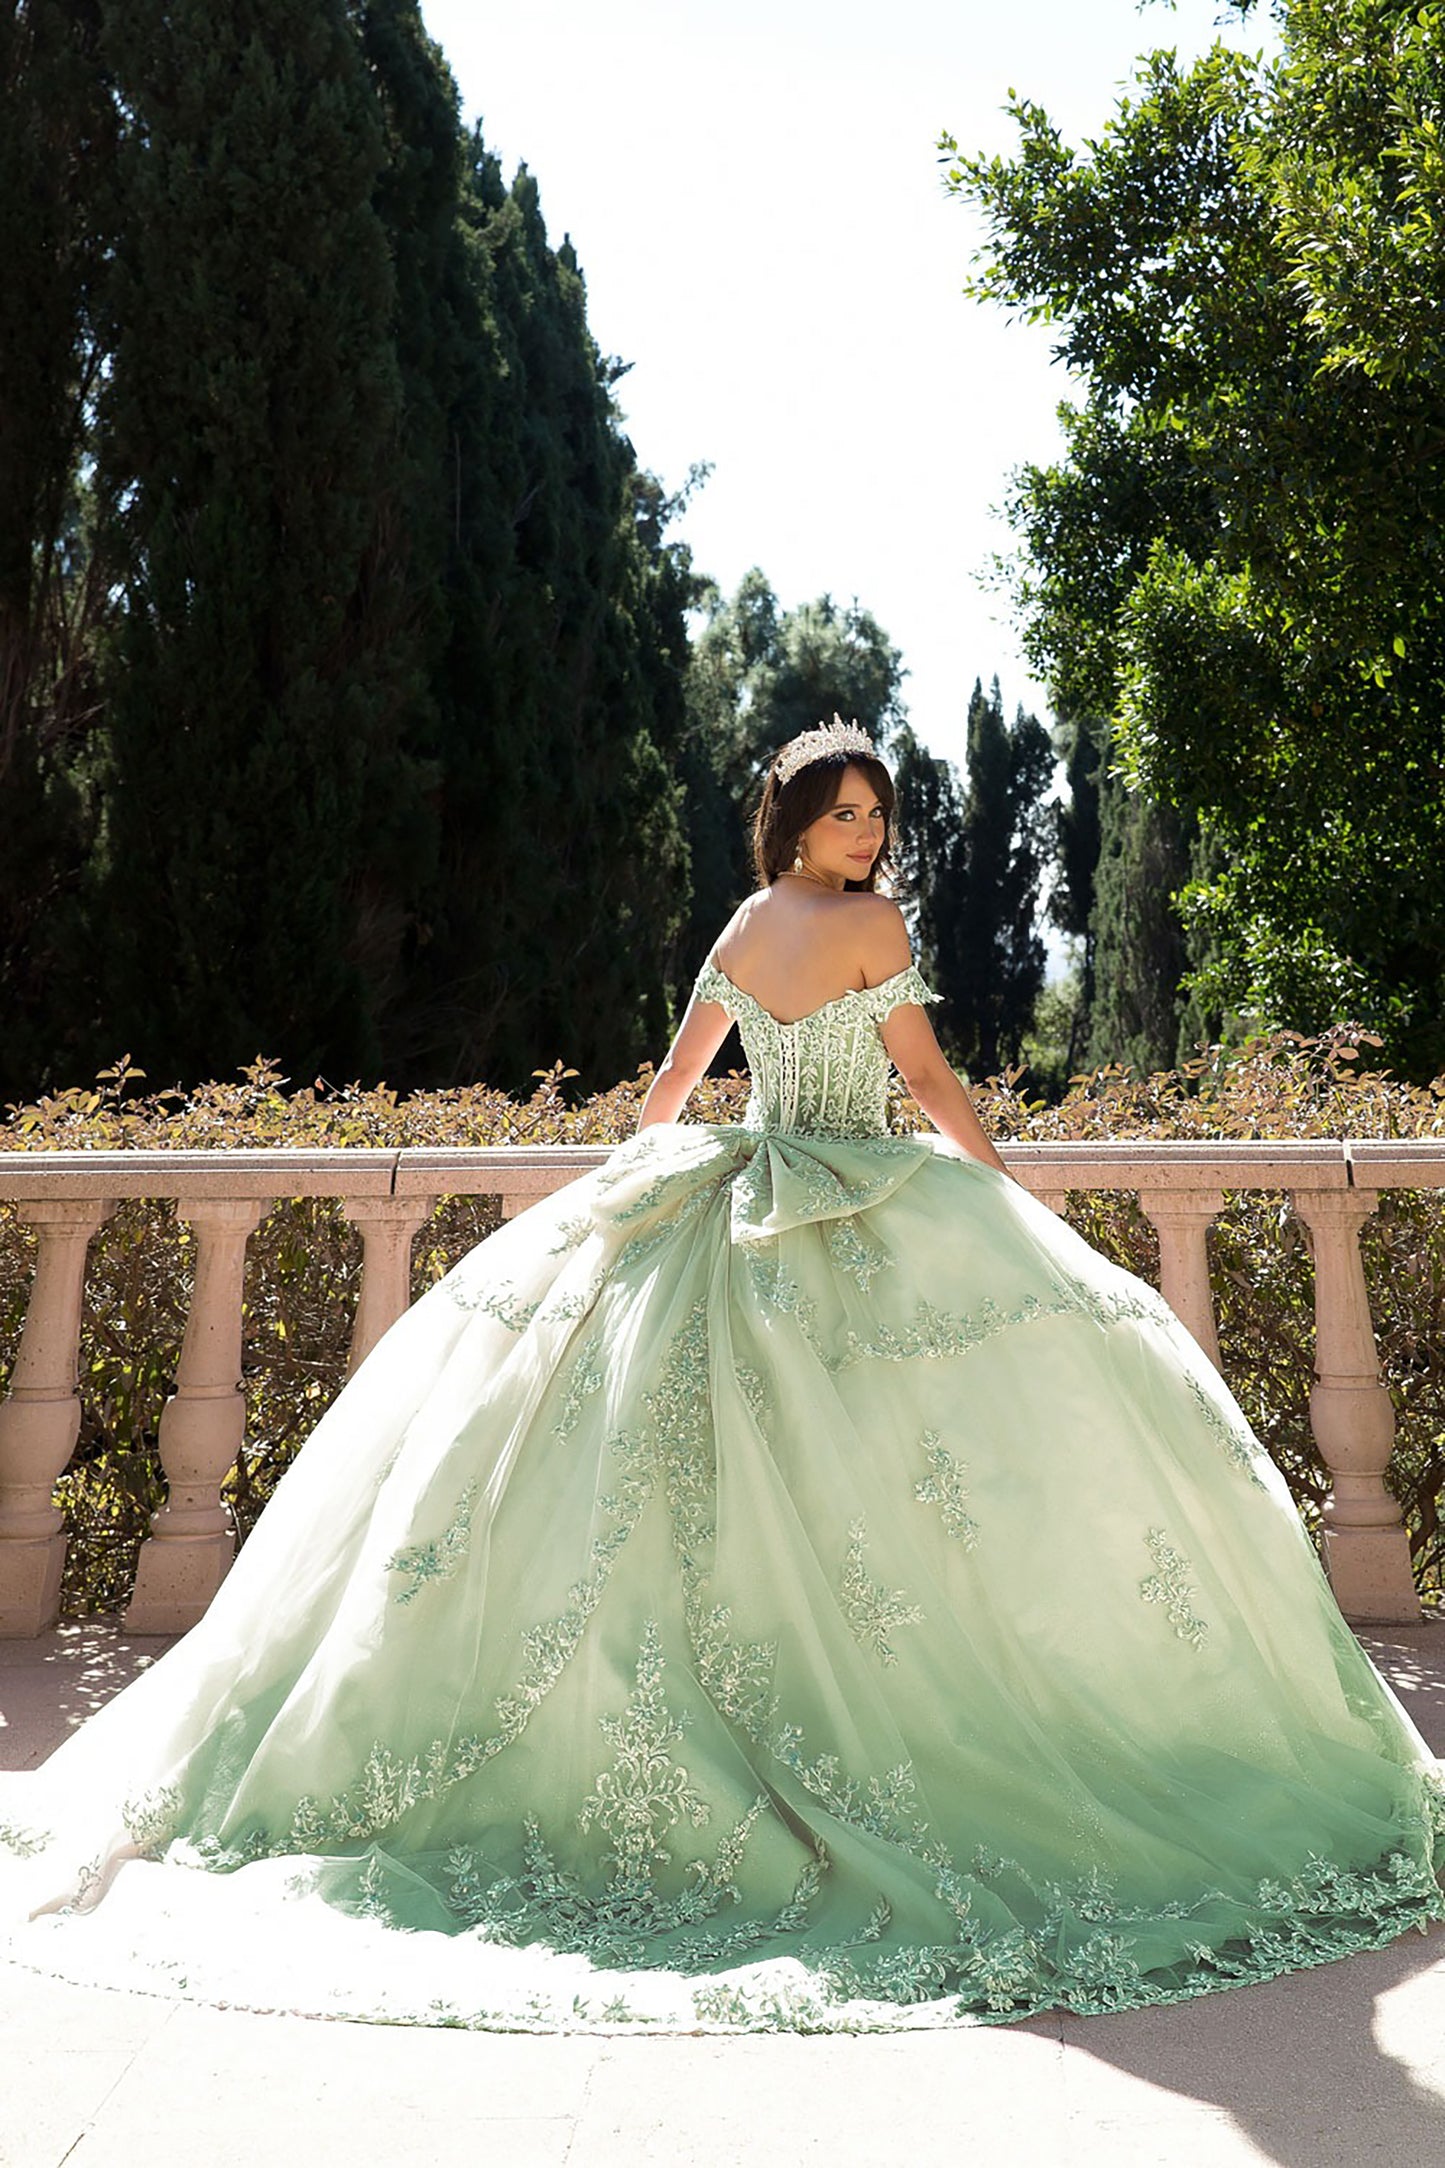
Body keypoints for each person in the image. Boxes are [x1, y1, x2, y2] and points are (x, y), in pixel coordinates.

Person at [1, 718, 1442, 2034]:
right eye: (845, 813)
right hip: (861, 1196)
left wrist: (632, 1189)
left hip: (734, 1195)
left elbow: (673, 1085)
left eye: (878, 814)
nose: (869, 835)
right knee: (901, 1479)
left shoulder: (746, 924)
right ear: (796, 822)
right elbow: (926, 1082)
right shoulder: (869, 926)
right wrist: (1007, 1195)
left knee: (691, 1494)